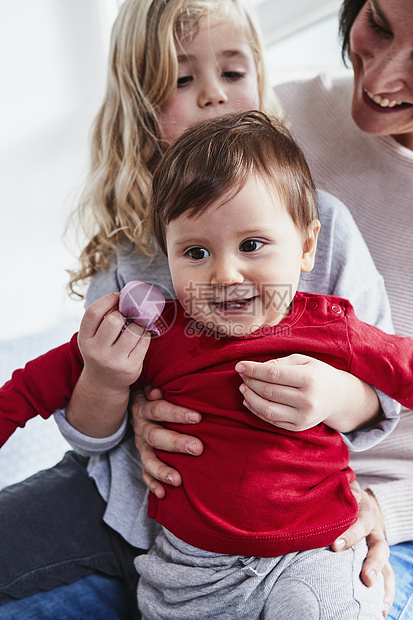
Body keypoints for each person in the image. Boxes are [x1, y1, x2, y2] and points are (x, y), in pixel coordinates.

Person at [0, 0, 397, 617]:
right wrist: (112, 384)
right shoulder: (130, 254)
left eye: (232, 74)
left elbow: (384, 384)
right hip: (138, 506)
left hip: (289, 523)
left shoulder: (323, 229)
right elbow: (84, 430)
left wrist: (332, 396)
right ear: (140, 108)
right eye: (182, 79)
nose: (212, 96)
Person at [273, 0, 413, 617]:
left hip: (374, 510)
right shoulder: (280, 114)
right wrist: (136, 413)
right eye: (378, 24)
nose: (380, 78)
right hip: (208, 468)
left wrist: (388, 505)